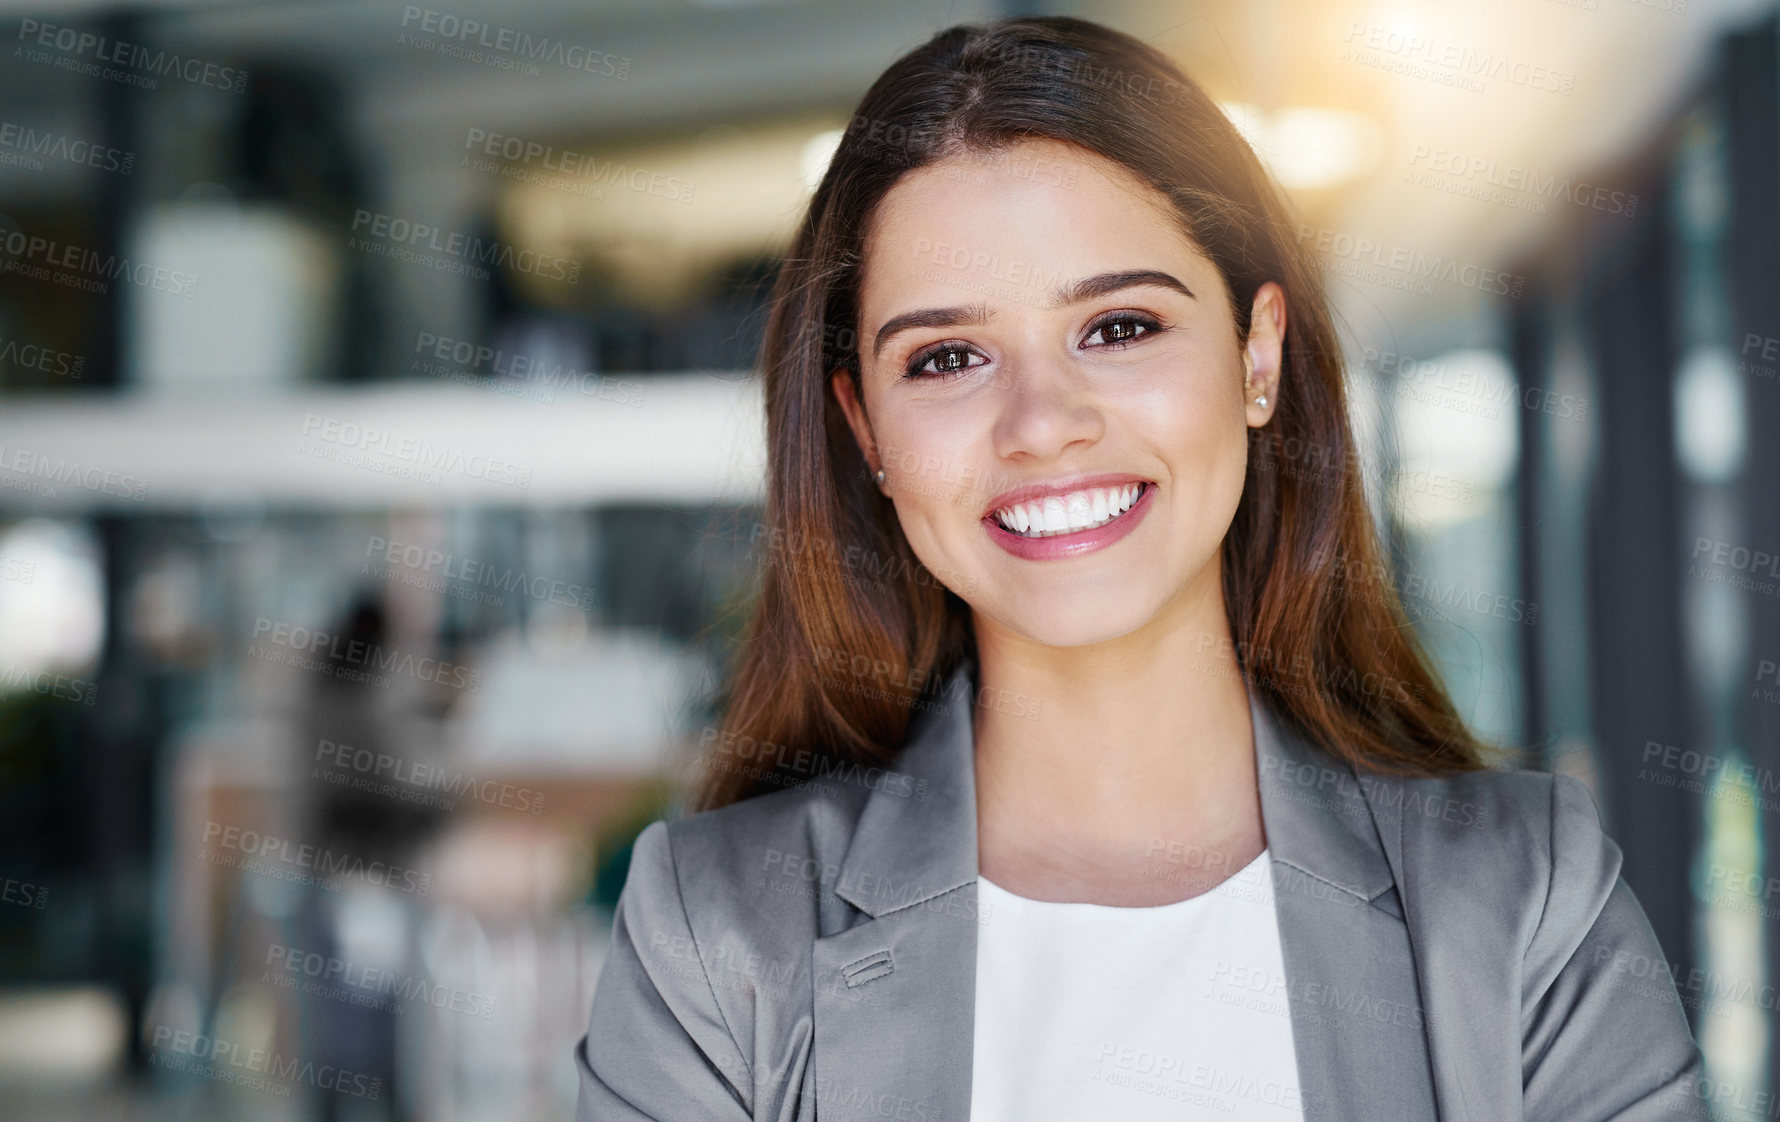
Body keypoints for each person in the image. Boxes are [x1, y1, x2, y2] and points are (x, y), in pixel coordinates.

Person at [575, 15, 1706, 1121]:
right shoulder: (717, 936)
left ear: (1256, 355)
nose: (1042, 424)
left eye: (1118, 328)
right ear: (864, 430)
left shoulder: (1525, 902)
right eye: (948, 357)